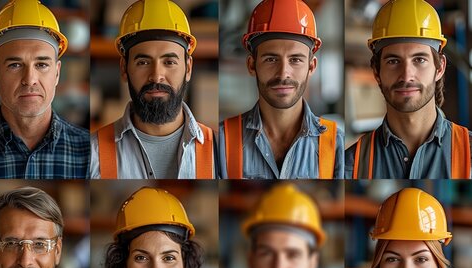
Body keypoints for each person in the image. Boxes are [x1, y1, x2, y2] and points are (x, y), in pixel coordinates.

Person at [345, 0, 472, 179]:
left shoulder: (469, 154)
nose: (406, 75)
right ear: (376, 71)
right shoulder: (350, 164)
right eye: (393, 61)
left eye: (419, 60)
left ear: (440, 68)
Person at [90, 0, 217, 179]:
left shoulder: (221, 154)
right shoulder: (92, 155)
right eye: (143, 62)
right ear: (124, 69)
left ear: (188, 68)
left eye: (169, 62)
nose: (157, 76)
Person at [0, 0, 90, 179]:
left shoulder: (89, 152)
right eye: (15, 65)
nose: (30, 79)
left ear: (57, 73)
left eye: (41, 64)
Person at [219, 0, 344, 179]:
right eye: (271, 59)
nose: (283, 73)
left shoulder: (337, 142)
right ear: (251, 65)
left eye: (295, 59)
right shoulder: (222, 140)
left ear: (311, 67)